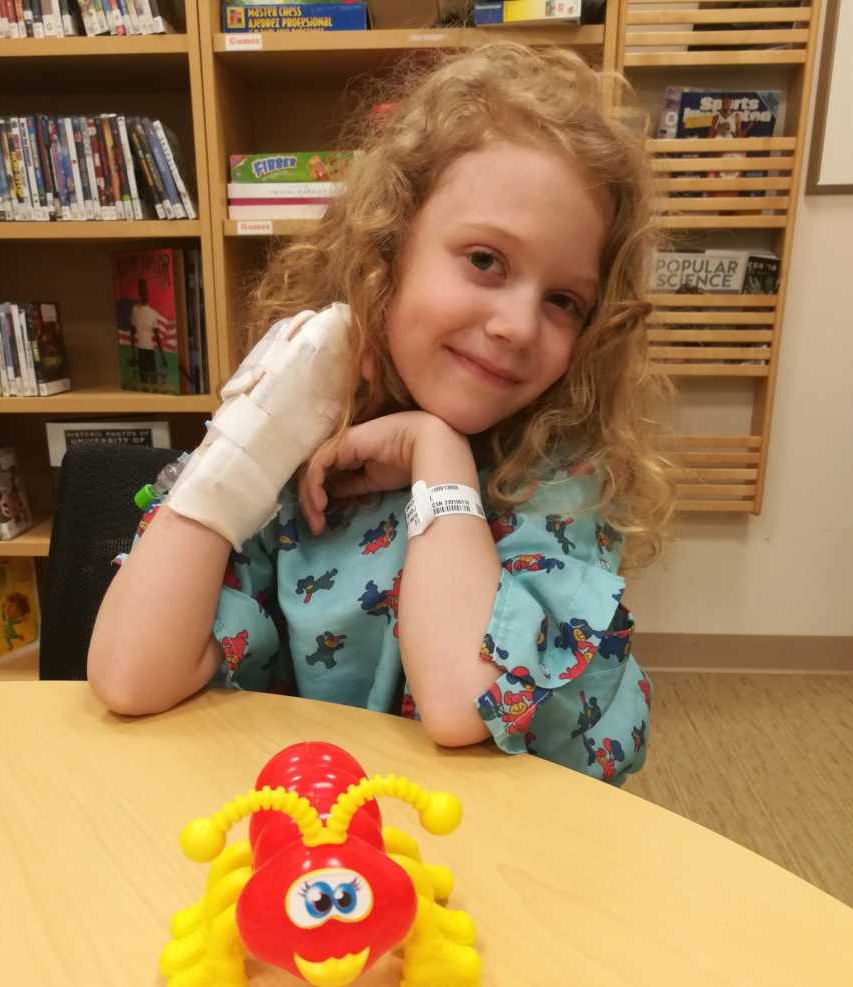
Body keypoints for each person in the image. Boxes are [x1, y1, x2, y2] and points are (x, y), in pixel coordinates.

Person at [88, 44, 674, 786]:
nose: (520, 326)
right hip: (314, 849)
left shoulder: (559, 477)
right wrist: (248, 443)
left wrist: (436, 454)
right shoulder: (296, 442)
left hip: (497, 850)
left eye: (563, 301)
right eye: (486, 261)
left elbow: (467, 706)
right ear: (387, 253)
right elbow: (130, 674)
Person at [129, 278, 165, 390]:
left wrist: (163, 356)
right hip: (141, 351)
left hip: (150, 351)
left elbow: (157, 336)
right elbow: (132, 333)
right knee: (143, 382)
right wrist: (133, 353)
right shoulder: (135, 310)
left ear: (148, 292)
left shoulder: (152, 313)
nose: (144, 292)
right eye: (142, 289)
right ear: (139, 292)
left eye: (145, 289)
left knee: (154, 382)